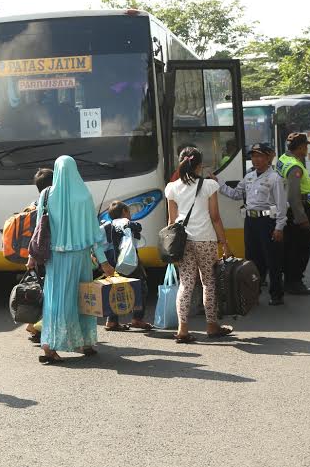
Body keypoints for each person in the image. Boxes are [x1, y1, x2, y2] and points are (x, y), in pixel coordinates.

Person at [26, 155, 115, 364]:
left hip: (55, 259)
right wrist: (103, 262)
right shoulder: (84, 196)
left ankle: (49, 346)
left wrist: (32, 257)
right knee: (84, 300)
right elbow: (94, 234)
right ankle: (84, 343)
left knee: (56, 301)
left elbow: (39, 230)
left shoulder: (47, 195)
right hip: (80, 258)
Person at [165, 146, 234, 343]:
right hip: (205, 239)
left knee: (186, 283)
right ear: (199, 165)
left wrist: (171, 247)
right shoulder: (209, 186)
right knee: (208, 282)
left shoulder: (172, 188)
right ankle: (212, 325)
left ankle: (182, 329)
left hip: (183, 241)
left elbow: (171, 221)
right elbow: (215, 217)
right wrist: (224, 243)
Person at [213, 143, 288, 306]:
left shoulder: (275, 178)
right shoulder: (249, 177)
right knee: (253, 259)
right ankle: (253, 293)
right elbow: (235, 194)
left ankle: (276, 294)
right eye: (253, 156)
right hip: (251, 222)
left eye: (260, 156)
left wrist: (279, 227)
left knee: (272, 259)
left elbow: (282, 205)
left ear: (268, 158)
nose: (256, 159)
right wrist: (218, 182)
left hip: (268, 222)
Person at [275, 133, 310, 295]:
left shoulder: (283, 159)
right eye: (306, 146)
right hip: (298, 210)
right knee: (301, 247)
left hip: (288, 210)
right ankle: (295, 282)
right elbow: (294, 196)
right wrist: (302, 219)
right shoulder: (295, 167)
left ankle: (289, 280)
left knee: (290, 247)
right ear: (300, 147)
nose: (307, 148)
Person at [101, 201, 153, 331]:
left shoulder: (107, 226)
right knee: (140, 288)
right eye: (129, 212)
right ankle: (137, 318)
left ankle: (111, 321)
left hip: (112, 263)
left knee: (114, 290)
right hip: (129, 262)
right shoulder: (127, 223)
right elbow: (138, 227)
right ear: (124, 211)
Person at [24, 168, 53, 342]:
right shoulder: (47, 204)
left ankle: (34, 325)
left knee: (41, 291)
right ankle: (36, 327)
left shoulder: (33, 205)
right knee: (48, 293)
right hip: (45, 254)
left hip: (35, 253)